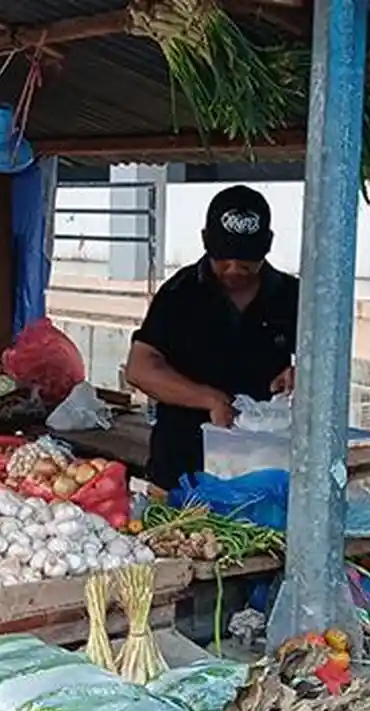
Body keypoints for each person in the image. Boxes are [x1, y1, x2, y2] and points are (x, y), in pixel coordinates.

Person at [125, 185, 298, 489]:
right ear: (205, 240)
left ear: (268, 244)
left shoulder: (293, 296)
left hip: (266, 472)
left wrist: (303, 373)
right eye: (223, 258)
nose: (234, 269)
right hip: (181, 470)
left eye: (247, 260)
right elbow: (140, 368)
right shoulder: (179, 294)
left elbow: (327, 366)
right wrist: (209, 399)